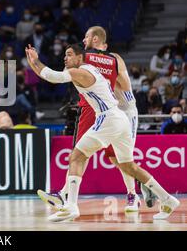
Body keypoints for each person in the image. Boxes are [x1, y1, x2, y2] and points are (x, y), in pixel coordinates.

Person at [26, 44, 180, 221]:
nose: (65, 58)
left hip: (108, 119)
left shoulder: (80, 72)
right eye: (65, 55)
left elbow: (51, 76)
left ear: (80, 58)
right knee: (129, 166)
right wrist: (35, 63)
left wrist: (35, 60)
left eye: (69, 55)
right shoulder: (90, 69)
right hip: (120, 119)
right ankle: (167, 199)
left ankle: (71, 206)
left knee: (76, 157)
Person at [38, 26, 152, 213]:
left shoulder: (94, 57)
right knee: (87, 153)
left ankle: (136, 191)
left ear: (98, 41)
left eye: (86, 37)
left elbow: (122, 85)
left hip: (120, 108)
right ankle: (66, 195)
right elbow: (115, 81)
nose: (83, 41)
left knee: (116, 157)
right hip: (101, 106)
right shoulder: (112, 59)